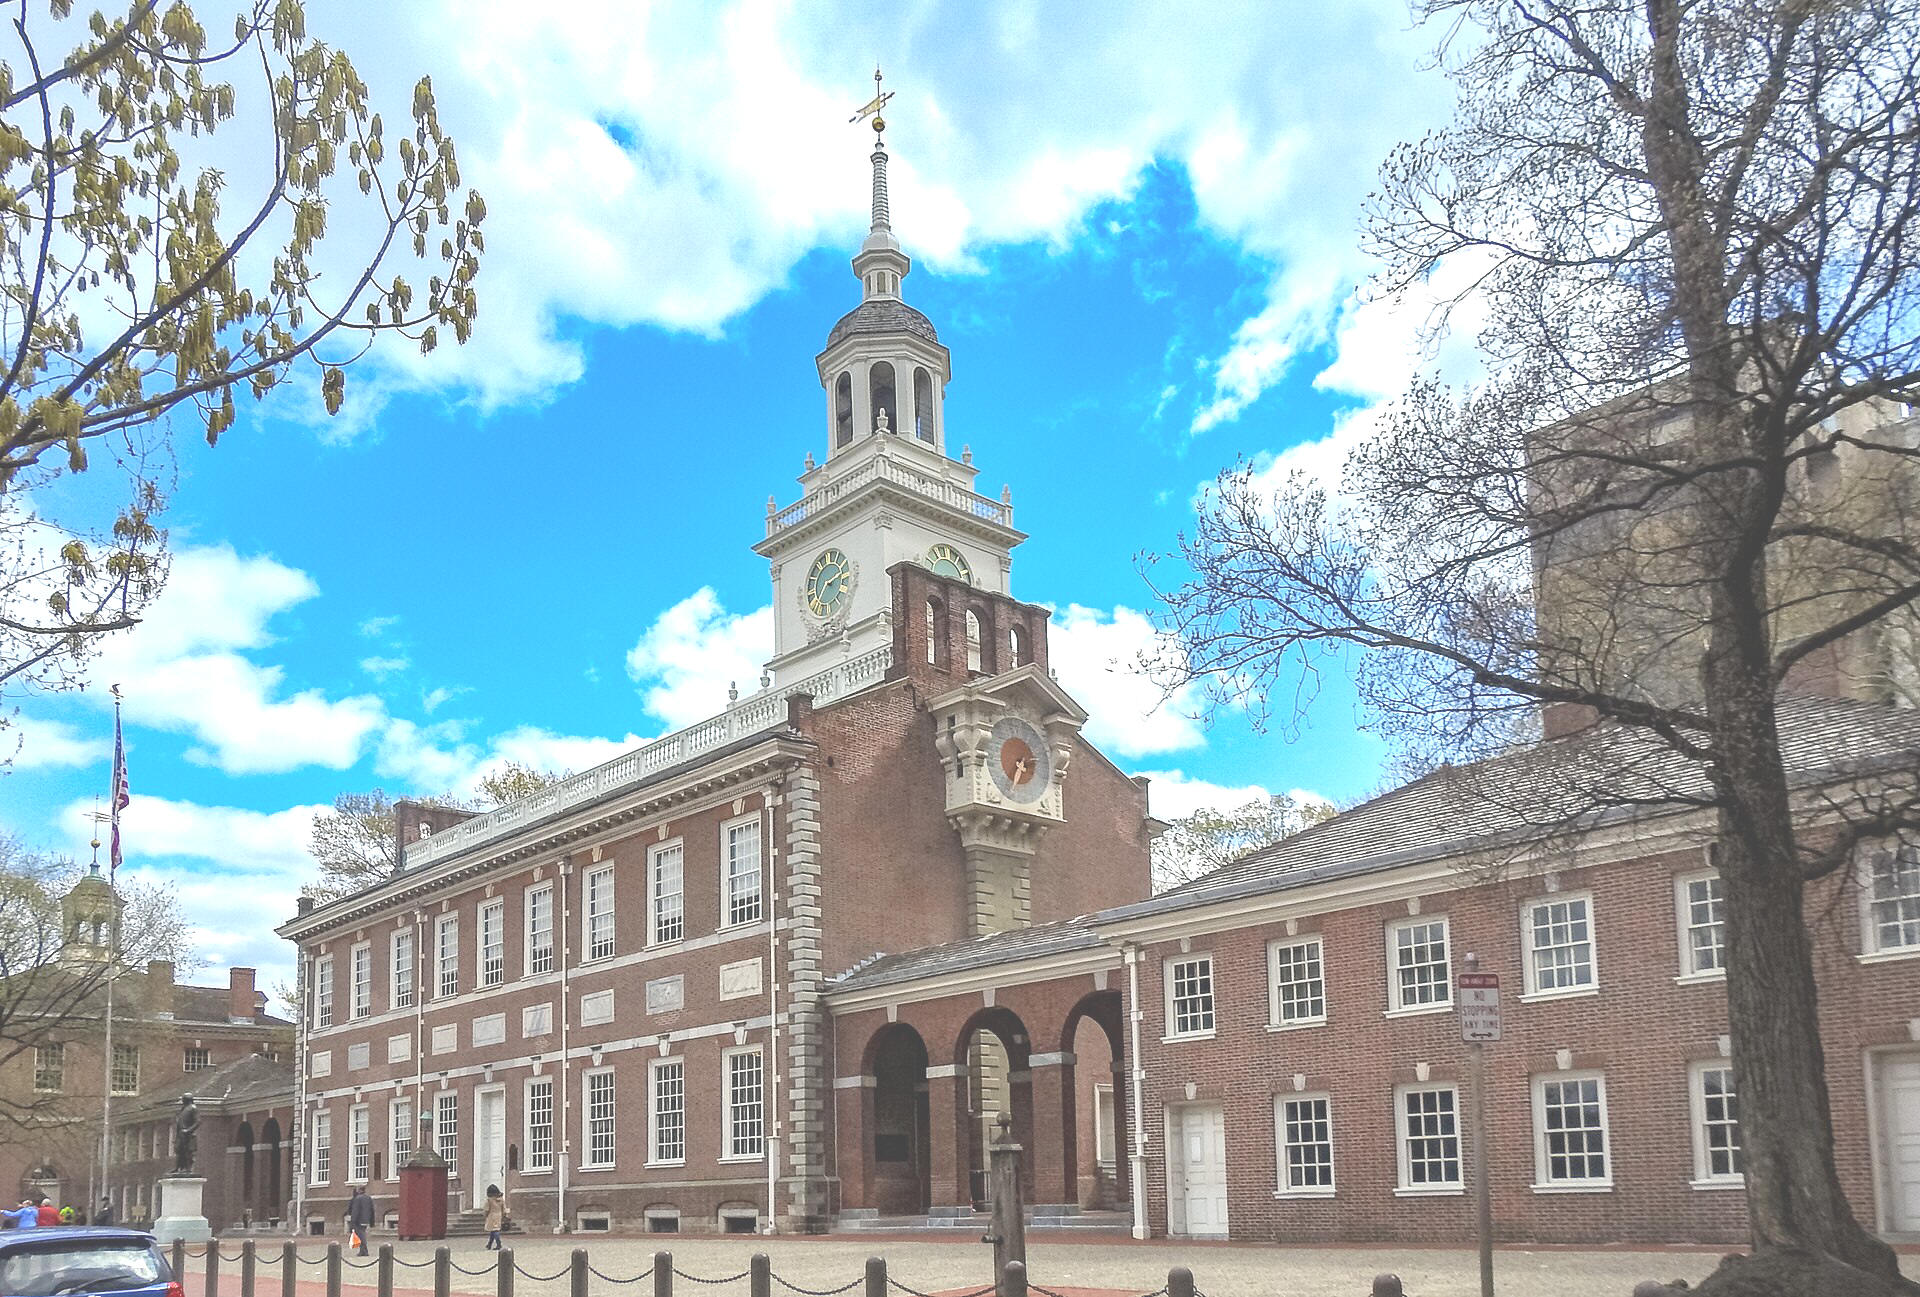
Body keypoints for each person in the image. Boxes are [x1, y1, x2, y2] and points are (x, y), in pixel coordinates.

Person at [345, 1187, 375, 1257]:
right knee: (362, 1234)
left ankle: (364, 1251)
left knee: (361, 1235)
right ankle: (363, 1250)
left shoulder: (357, 1199)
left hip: (358, 1220)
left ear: (359, 1190)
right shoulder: (368, 1198)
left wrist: (353, 1221)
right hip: (366, 1219)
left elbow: (355, 1211)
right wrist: (372, 1221)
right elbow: (372, 1210)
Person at [482, 1185, 505, 1251]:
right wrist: (503, 1215)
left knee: (495, 1230)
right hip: (499, 1215)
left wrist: (485, 1215)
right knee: (493, 1230)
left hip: (491, 1216)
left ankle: (498, 1244)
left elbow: (486, 1209)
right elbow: (504, 1208)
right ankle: (489, 1244)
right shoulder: (501, 1199)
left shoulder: (489, 1200)